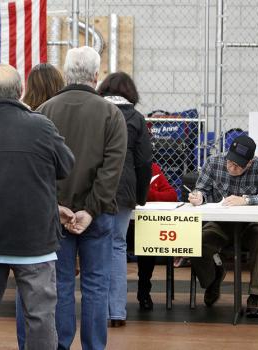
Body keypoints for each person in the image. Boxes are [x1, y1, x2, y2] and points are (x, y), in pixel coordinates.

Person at [0, 64, 75, 349]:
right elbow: (66, 165)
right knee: (40, 316)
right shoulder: (40, 125)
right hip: (35, 237)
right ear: (20, 91)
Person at [37, 46, 127, 350]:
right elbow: (111, 170)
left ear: (65, 73)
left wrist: (56, 205)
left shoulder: (45, 112)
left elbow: (40, 168)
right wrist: (90, 210)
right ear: (96, 75)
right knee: (96, 285)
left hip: (56, 213)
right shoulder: (112, 114)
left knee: (60, 285)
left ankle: (60, 345)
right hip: (99, 214)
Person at [188, 135, 258, 318]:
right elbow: (202, 189)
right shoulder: (214, 162)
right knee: (196, 243)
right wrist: (198, 196)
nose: (232, 167)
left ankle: (255, 295)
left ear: (249, 163)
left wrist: (247, 200)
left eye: (238, 165)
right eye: (230, 162)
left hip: (250, 224)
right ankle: (212, 280)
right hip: (220, 223)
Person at [16, 62, 66, 350]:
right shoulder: (51, 121)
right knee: (52, 289)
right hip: (59, 207)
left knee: (31, 291)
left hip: (32, 208)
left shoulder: (27, 118)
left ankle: (29, 343)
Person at [97, 72, 152, 328]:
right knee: (117, 246)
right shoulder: (137, 119)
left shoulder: (95, 111)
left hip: (94, 187)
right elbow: (143, 162)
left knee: (95, 246)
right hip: (124, 189)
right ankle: (117, 312)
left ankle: (96, 310)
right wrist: (139, 197)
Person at [134, 163, 178, 311]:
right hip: (123, 225)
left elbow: (172, 195)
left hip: (145, 225)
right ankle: (115, 294)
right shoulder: (118, 165)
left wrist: (149, 195)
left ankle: (144, 291)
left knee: (148, 241)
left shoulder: (152, 168)